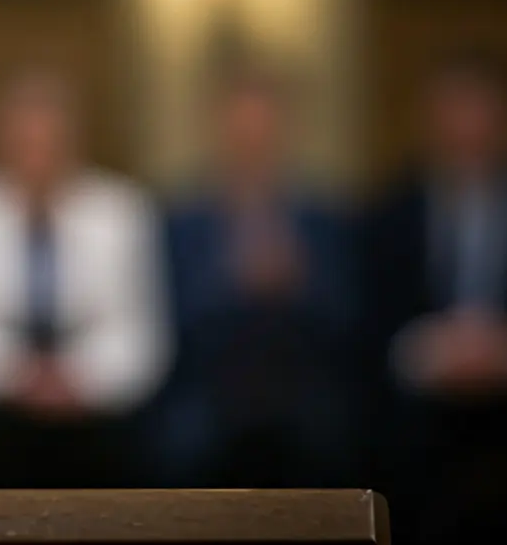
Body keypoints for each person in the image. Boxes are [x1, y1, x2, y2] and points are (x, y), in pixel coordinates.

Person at [361, 47, 507, 545]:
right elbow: (368, 318)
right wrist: (429, 353)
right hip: (421, 406)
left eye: (480, 110)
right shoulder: (389, 214)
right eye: (454, 110)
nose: (467, 129)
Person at [0, 64, 172, 488]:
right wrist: (19, 378)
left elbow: (139, 337)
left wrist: (77, 380)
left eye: (49, 142)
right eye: (24, 142)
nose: (37, 155)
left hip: (94, 409)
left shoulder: (122, 213)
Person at [152, 64, 360, 489]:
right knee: (180, 440)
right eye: (240, 129)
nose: (252, 141)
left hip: (302, 391)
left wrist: (297, 283)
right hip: (211, 393)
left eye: (263, 128)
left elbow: (351, 321)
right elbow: (169, 325)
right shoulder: (182, 219)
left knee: (338, 435)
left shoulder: (325, 217)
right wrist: (233, 283)